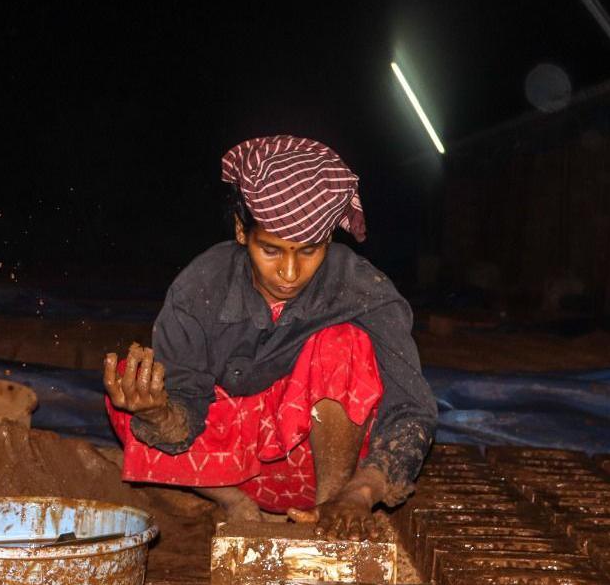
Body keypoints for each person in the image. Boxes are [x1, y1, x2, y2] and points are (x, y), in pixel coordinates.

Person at [103, 135, 436, 539]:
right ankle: (230, 501)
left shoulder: (363, 289)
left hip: (308, 467)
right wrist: (155, 412)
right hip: (224, 464)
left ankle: (328, 513)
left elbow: (411, 410)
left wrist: (360, 492)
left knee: (343, 343)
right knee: (127, 391)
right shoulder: (201, 287)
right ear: (242, 231)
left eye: (309, 251)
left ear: (329, 239)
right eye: (272, 251)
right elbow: (185, 400)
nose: (290, 273)